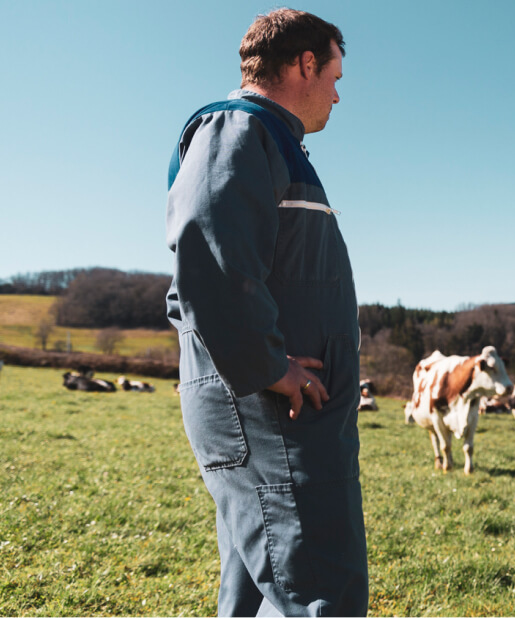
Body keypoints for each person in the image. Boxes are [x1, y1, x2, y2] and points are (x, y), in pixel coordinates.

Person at [165, 9, 366, 616]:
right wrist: (269, 365)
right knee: (319, 593)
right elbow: (210, 258)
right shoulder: (238, 128)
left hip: (281, 411)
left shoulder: (274, 142)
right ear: (305, 63)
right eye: (335, 72)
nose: (338, 91)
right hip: (270, 411)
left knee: (257, 589)